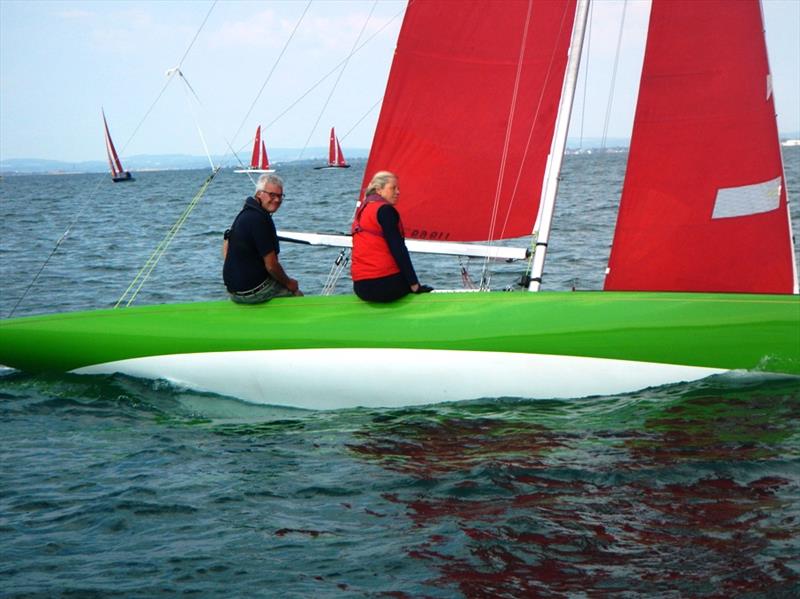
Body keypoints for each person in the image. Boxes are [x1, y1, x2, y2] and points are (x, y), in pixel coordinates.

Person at [351, 170, 433, 302]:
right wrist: (414, 285)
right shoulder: (385, 211)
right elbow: (398, 250)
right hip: (385, 286)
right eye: (393, 188)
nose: (398, 192)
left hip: (360, 287)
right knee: (417, 286)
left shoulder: (363, 210)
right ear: (379, 190)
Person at [222, 173, 302, 304]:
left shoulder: (243, 214)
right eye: (272, 195)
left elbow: (226, 249)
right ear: (259, 194)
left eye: (280, 196)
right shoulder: (260, 220)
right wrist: (290, 284)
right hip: (252, 292)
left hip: (233, 292)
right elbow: (271, 265)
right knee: (297, 295)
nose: (277, 200)